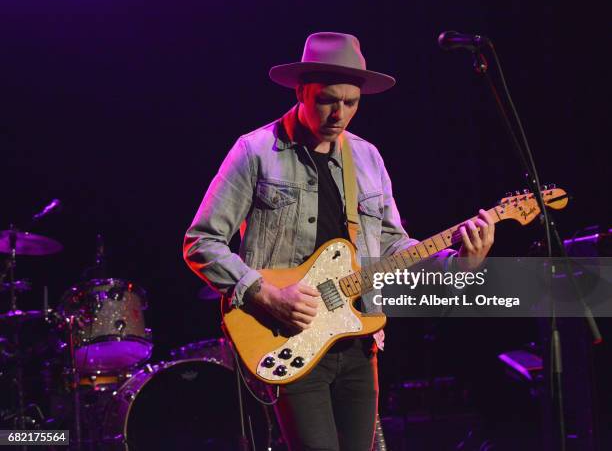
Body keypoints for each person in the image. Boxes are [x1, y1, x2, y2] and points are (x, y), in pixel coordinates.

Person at [183, 32, 495, 451]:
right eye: (328, 100)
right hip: (288, 336)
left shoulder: (367, 158)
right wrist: (265, 294)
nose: (340, 113)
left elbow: (392, 247)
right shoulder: (256, 151)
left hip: (359, 338)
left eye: (351, 103)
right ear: (301, 91)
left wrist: (459, 262)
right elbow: (202, 241)